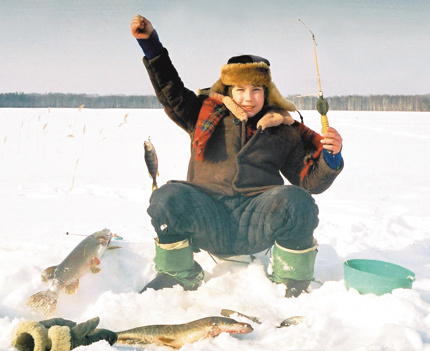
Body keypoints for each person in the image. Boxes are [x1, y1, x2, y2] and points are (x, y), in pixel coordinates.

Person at [130, 15, 343, 298]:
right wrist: (150, 45)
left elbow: (309, 183)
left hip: (256, 220)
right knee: (167, 197)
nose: (248, 98)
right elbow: (171, 91)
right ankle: (176, 274)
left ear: (266, 93)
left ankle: (292, 279)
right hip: (207, 216)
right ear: (229, 91)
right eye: (240, 90)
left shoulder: (284, 129)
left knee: (298, 201)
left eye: (256, 90)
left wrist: (330, 158)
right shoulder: (202, 114)